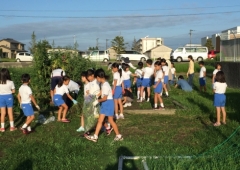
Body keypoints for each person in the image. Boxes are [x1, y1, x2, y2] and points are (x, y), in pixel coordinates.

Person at [85, 68, 123, 142]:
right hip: (104, 104)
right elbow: (102, 93)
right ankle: (95, 136)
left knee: (111, 121)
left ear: (99, 77)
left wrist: (97, 101)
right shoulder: (103, 84)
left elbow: (105, 98)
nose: (96, 80)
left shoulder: (105, 85)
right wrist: (97, 96)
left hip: (108, 103)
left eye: (96, 78)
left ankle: (119, 135)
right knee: (100, 120)